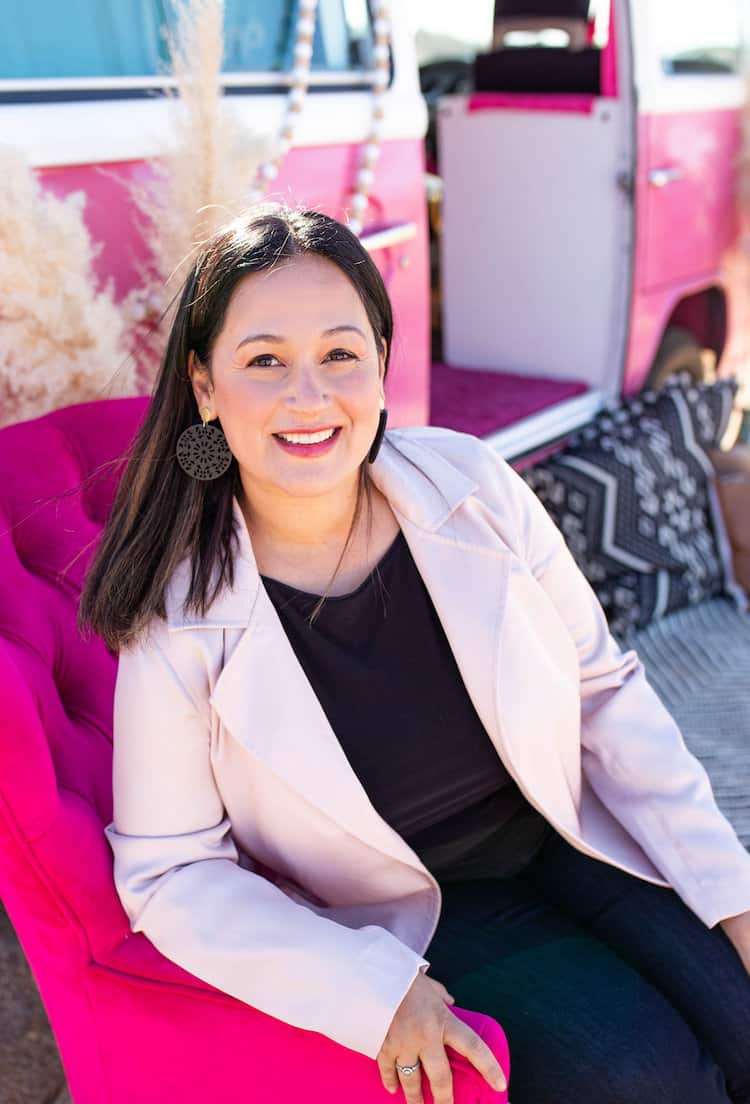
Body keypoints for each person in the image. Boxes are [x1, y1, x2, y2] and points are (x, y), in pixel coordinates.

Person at [79, 204, 750, 1104]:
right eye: (265, 360)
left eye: (341, 354)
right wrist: (369, 995)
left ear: (384, 366)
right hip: (424, 910)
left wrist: (731, 887)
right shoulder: (181, 620)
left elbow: (602, 691)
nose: (308, 395)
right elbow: (171, 873)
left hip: (569, 826)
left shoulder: (474, 484)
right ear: (204, 387)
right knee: (645, 1081)